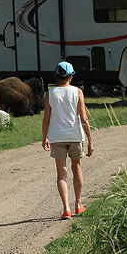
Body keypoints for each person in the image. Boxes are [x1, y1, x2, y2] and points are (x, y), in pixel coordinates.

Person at [41, 61, 94, 219]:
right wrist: (90, 140)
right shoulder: (77, 92)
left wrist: (44, 138)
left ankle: (66, 209)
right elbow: (83, 118)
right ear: (71, 76)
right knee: (76, 168)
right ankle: (78, 205)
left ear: (57, 76)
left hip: (57, 137)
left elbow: (46, 119)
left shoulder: (50, 93)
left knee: (61, 174)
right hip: (75, 136)